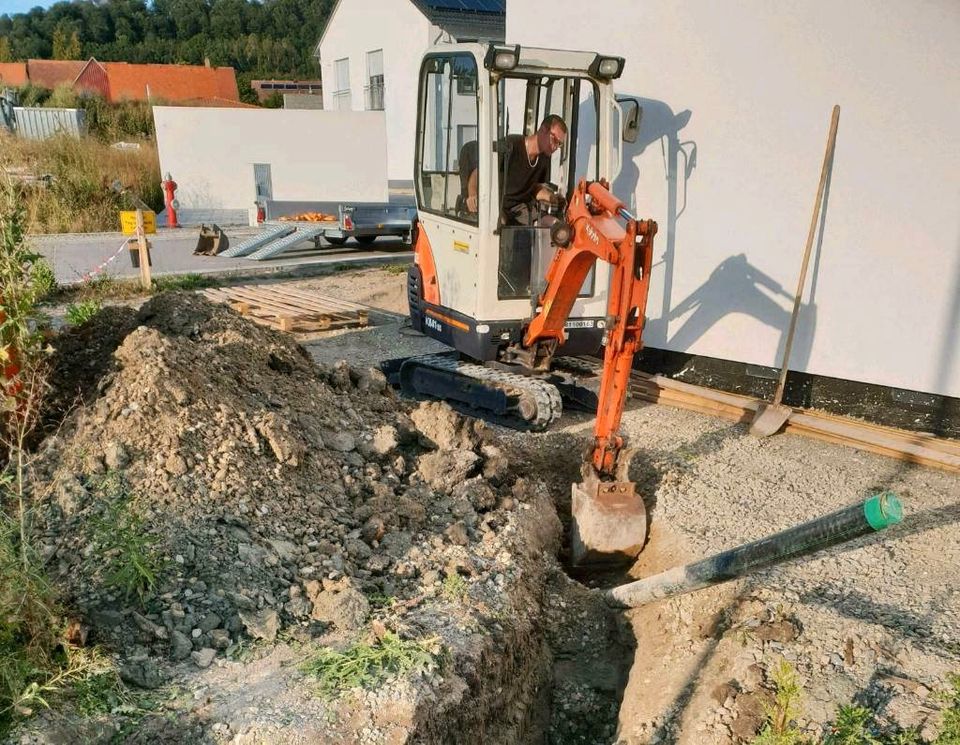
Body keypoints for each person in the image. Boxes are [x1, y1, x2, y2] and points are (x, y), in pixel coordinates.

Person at [463, 114, 568, 224]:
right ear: (543, 130)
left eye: (559, 144)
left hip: (520, 208)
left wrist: (552, 197)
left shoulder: (544, 159)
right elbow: (479, 171)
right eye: (554, 139)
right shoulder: (511, 146)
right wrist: (472, 194)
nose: (556, 147)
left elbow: (534, 188)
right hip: (498, 205)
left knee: (554, 225)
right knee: (500, 225)